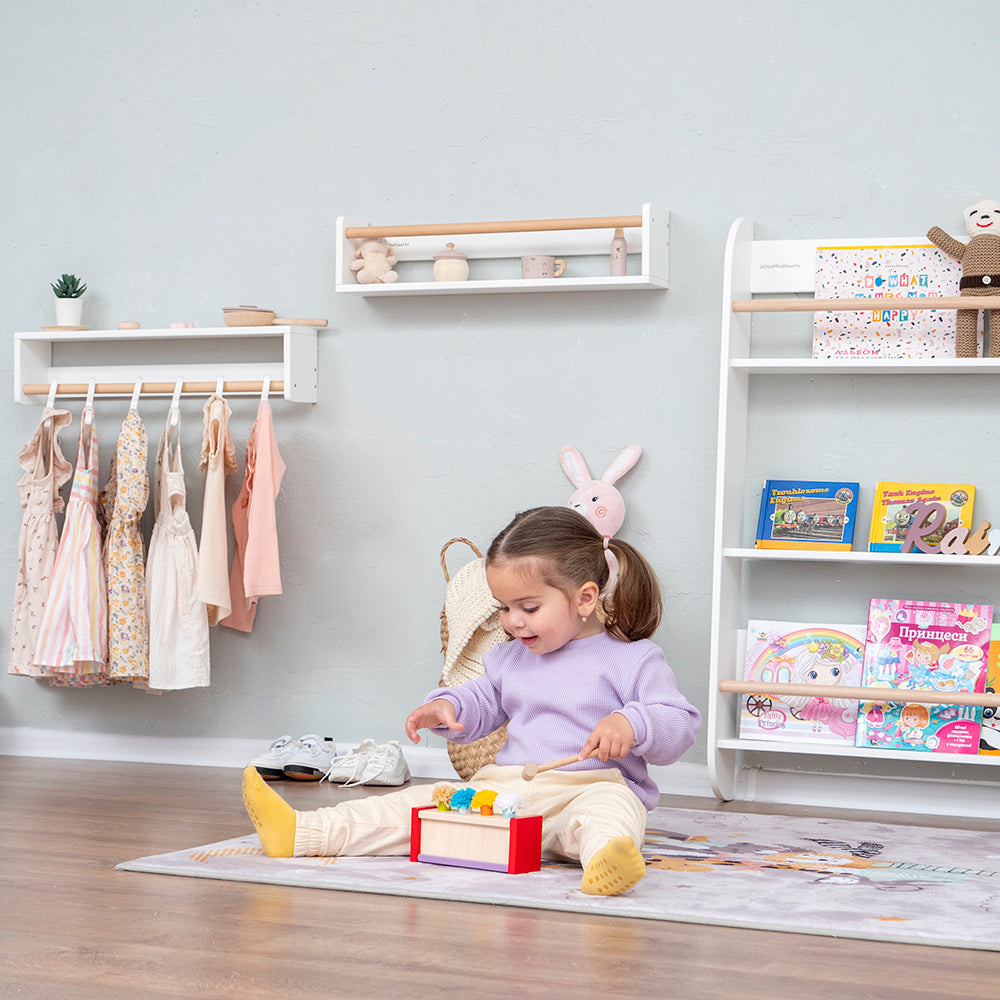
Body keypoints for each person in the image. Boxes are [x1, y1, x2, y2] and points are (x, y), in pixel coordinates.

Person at [242, 506, 701, 896]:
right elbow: (481, 700)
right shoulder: (509, 658)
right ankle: (304, 832)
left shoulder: (634, 658)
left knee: (609, 815)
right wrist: (449, 707)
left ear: (584, 599)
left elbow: (677, 724)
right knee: (415, 806)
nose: (513, 622)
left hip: (589, 788)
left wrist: (633, 724)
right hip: (504, 795)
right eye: (504, 607)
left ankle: (605, 862)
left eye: (529, 607)